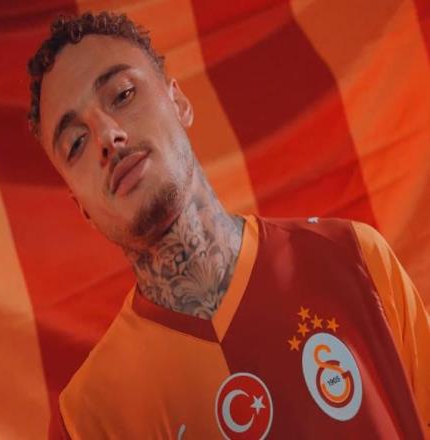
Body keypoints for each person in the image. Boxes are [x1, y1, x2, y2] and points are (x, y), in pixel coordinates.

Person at [27, 11, 429, 439]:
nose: (107, 136)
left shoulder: (353, 259)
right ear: (81, 207)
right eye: (76, 143)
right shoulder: (89, 419)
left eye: (123, 94)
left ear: (179, 103)